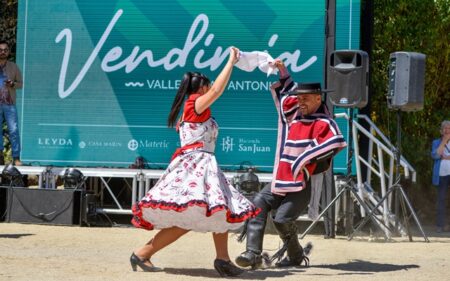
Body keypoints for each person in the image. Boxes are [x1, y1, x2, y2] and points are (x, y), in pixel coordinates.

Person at [130, 46, 260, 277]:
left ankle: (222, 259)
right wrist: (231, 62)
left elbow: (215, 92)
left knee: (219, 211)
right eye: (207, 86)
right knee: (195, 215)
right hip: (196, 166)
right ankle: (142, 253)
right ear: (201, 88)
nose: (210, 89)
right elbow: (218, 90)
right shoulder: (194, 104)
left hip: (201, 164)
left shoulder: (194, 106)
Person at [235, 59, 347, 268]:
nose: (299, 101)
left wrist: (304, 161)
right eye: (298, 98)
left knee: (282, 219)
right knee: (258, 203)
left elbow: (335, 143)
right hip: (283, 177)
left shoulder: (324, 122)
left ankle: (295, 256)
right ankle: (253, 253)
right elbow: (287, 91)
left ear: (317, 98)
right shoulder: (295, 115)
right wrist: (282, 70)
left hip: (304, 182)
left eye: (305, 98)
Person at [0, 40, 23, 166]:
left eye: (5, 50)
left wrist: (13, 84)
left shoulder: (13, 66)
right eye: (0, 50)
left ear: (8, 52)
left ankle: (16, 158)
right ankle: (0, 157)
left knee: (13, 130)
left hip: (9, 104)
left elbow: (21, 84)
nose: (3, 52)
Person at [431, 120, 450, 233]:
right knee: (441, 200)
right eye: (445, 128)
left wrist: (445, 157)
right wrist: (444, 141)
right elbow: (435, 155)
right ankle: (440, 225)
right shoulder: (436, 142)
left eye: (449, 128)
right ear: (441, 131)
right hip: (441, 175)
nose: (447, 130)